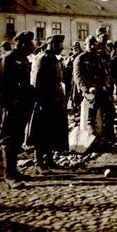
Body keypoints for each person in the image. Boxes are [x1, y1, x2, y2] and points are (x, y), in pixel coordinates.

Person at [0, 31, 35, 188]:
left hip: (21, 107)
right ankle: (9, 175)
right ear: (22, 44)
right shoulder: (7, 59)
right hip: (9, 108)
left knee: (17, 139)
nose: (33, 47)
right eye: (30, 44)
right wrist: (7, 106)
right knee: (7, 140)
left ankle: (7, 170)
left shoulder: (23, 59)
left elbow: (25, 84)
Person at [28, 34, 69, 174]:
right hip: (44, 102)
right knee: (41, 132)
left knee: (51, 131)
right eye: (59, 45)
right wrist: (39, 101)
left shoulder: (53, 59)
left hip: (54, 101)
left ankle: (49, 160)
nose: (61, 48)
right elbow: (36, 82)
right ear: (51, 44)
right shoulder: (42, 59)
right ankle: (38, 163)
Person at [73, 35, 116, 148]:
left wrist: (105, 85)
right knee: (91, 115)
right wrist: (88, 89)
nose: (92, 46)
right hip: (89, 92)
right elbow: (78, 77)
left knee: (110, 111)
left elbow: (105, 74)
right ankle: (93, 140)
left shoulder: (98, 58)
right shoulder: (80, 59)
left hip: (101, 90)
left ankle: (109, 138)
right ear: (85, 45)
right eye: (90, 44)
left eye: (94, 44)